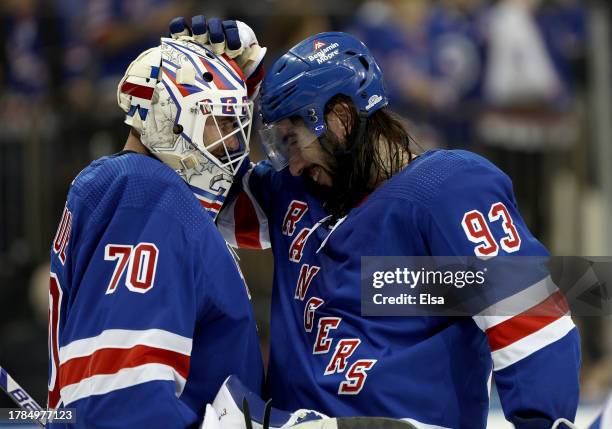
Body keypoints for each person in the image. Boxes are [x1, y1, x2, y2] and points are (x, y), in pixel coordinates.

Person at [172, 19, 581, 429]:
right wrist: (217, 91)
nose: (291, 164)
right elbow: (201, 196)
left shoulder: (447, 191)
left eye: (292, 140)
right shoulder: (295, 193)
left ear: (342, 120)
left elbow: (532, 323)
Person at [47, 34, 263, 428]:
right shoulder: (146, 191)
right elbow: (119, 399)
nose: (234, 141)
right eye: (220, 121)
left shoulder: (150, 194)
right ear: (167, 116)